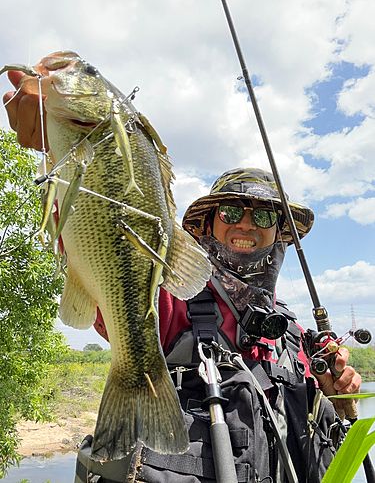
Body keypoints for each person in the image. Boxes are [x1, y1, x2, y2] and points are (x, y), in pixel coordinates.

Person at [3, 73, 362, 483]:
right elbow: (101, 242)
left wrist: (336, 396)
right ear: (206, 225)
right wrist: (54, 143)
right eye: (229, 213)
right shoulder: (175, 301)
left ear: (279, 233)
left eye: (263, 215)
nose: (245, 224)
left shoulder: (292, 335)